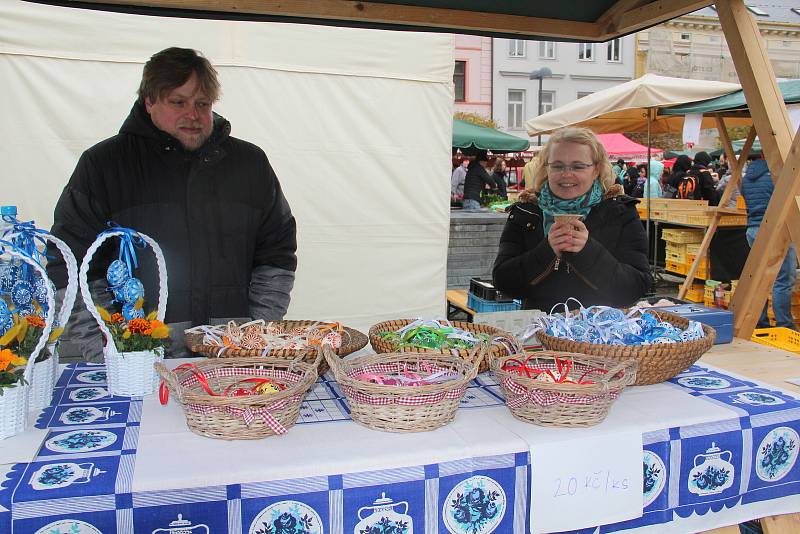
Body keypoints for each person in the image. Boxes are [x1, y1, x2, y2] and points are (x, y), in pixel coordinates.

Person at [48, 47, 298, 360]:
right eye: (178, 102)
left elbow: (277, 254)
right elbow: (69, 266)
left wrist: (254, 334)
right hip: (136, 359)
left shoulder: (250, 164)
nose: (193, 115)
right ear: (149, 101)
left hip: (229, 359)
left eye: (202, 104)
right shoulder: (104, 166)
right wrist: (109, 351)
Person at [492, 127, 651, 311]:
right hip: (539, 332)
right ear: (547, 168)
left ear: (596, 169)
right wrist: (546, 251)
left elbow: (636, 287)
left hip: (602, 333)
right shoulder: (525, 211)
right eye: (558, 166)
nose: (567, 174)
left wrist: (587, 251)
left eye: (578, 166)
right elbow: (503, 281)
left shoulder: (619, 212)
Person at [741, 157, 797, 329]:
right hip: (776, 230)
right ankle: (785, 324)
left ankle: (759, 321)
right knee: (782, 279)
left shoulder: (746, 178)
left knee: (760, 278)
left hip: (753, 230)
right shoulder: (777, 174)